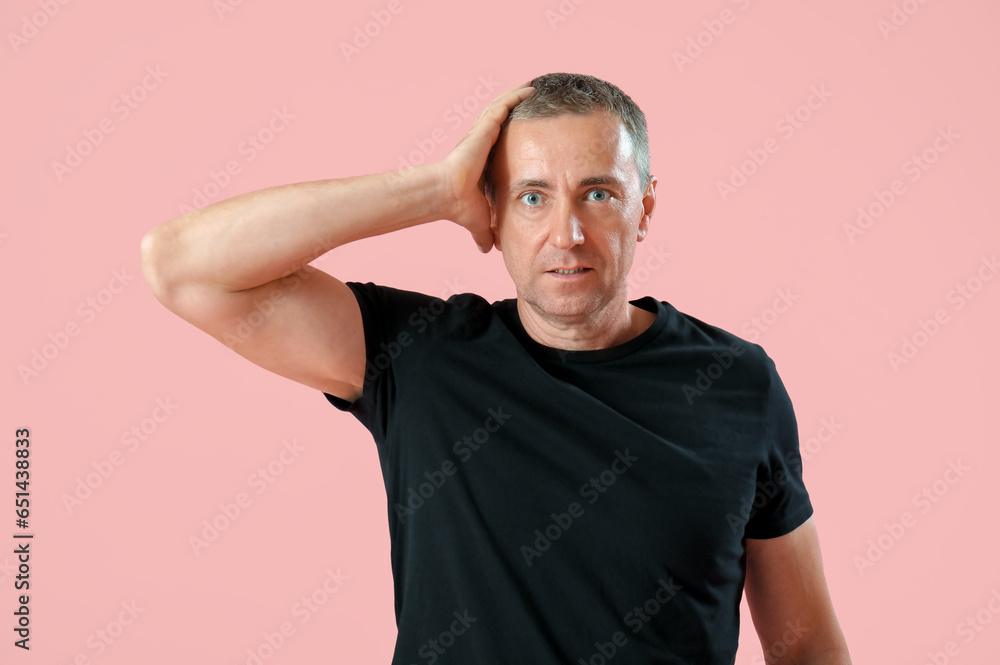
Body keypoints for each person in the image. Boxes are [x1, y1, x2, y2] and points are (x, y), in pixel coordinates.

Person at [140, 73, 852, 664]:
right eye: (532, 196)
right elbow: (182, 267)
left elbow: (808, 645)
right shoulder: (419, 357)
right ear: (493, 215)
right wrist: (434, 189)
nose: (565, 233)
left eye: (598, 194)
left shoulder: (737, 384)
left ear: (645, 209)